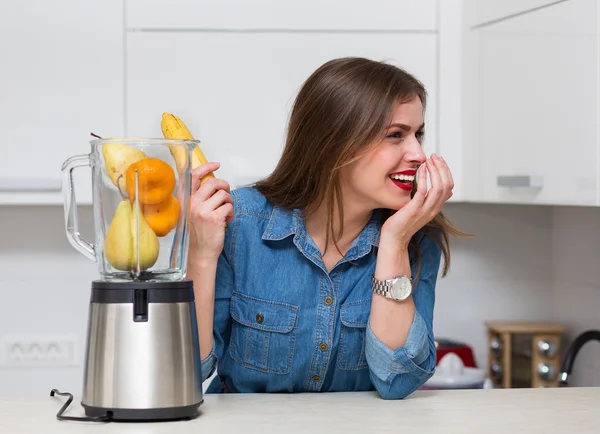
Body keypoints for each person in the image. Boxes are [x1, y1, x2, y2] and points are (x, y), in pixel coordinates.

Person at [186, 56, 464, 400]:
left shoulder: (416, 236)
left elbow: (398, 380)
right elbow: (189, 371)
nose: (418, 153)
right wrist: (200, 254)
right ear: (334, 142)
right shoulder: (239, 222)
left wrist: (394, 241)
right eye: (396, 135)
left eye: (417, 134)